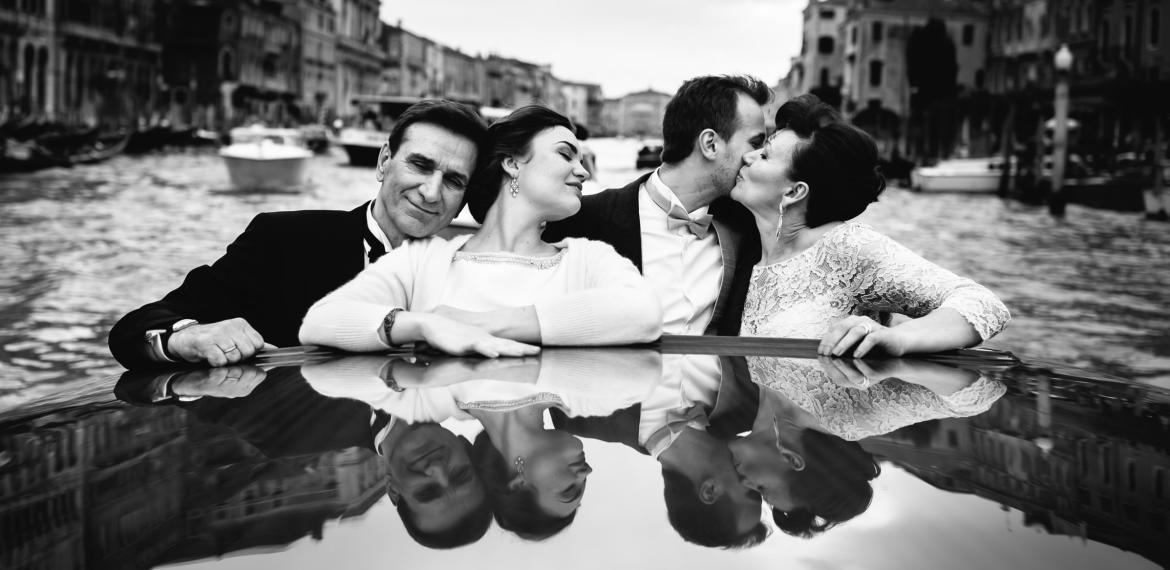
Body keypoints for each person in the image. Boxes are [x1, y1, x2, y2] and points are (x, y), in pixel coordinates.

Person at [108, 100, 489, 369]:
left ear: (465, 199)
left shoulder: (471, 277)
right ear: (384, 162)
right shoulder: (284, 241)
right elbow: (133, 329)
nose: (431, 192)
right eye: (420, 166)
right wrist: (189, 337)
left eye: (453, 181)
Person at [298, 106, 662, 356]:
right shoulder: (426, 257)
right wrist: (423, 326)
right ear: (511, 163)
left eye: (582, 161)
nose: (583, 172)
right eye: (566, 155)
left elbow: (643, 314)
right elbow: (321, 321)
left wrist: (476, 324)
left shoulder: (585, 258)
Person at [731, 94, 1011, 356]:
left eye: (765, 155)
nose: (748, 156)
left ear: (794, 192)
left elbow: (983, 304)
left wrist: (898, 337)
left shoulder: (845, 248)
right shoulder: (743, 248)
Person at [113, 363, 493, 549]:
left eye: (427, 491)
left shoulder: (286, 432)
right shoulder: (475, 371)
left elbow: (161, 383)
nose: (437, 469)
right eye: (459, 476)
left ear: (394, 490)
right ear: (467, 453)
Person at [544, 75, 770, 336]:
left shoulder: (750, 225)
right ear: (710, 144)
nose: (758, 156)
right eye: (755, 142)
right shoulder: (583, 220)